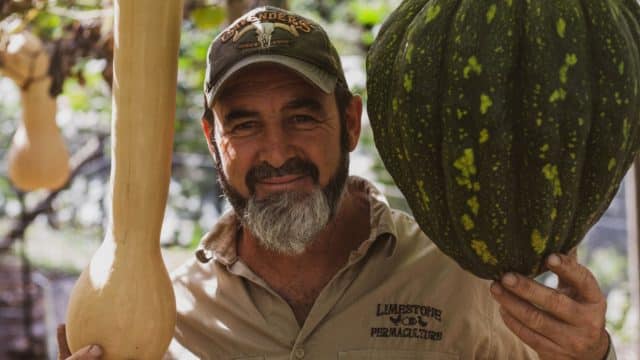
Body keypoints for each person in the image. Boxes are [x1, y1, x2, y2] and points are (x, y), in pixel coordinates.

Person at [59, 6, 616, 360]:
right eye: (245, 124)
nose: (276, 153)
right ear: (212, 139)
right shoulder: (171, 318)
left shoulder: (458, 279)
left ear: (351, 122)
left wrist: (590, 354)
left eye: (302, 118)